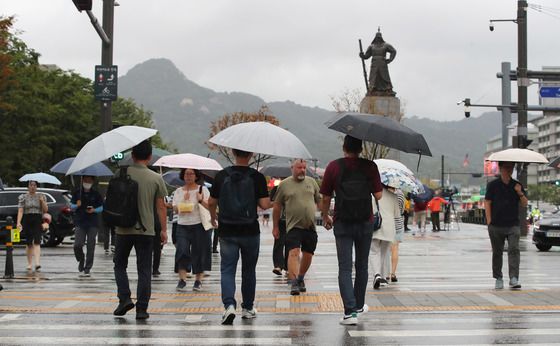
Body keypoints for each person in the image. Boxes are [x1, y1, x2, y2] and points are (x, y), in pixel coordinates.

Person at [320, 135, 383, 326]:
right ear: (361, 149)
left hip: (343, 222)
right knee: (362, 266)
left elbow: (325, 196)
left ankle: (349, 312)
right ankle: (358, 306)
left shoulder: (333, 166)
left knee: (345, 267)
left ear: (344, 147)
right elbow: (379, 195)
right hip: (365, 222)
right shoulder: (370, 166)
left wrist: (325, 216)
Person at [208, 148, 270, 325]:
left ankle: (229, 305)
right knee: (248, 270)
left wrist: (214, 218)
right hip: (250, 230)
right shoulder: (256, 177)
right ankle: (248, 308)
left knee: (227, 269)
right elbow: (265, 204)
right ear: (251, 154)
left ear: (233, 153)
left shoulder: (221, 175)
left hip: (227, 230)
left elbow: (211, 202)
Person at [112, 140, 168, 320]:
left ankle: (125, 298)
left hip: (123, 229)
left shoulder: (119, 173)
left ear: (132, 156)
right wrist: (164, 230)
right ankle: (142, 309)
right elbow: (161, 207)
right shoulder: (156, 178)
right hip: (146, 231)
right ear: (150, 157)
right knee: (144, 269)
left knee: (120, 265)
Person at [273, 159, 321, 296]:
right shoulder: (284, 185)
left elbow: (319, 200)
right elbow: (277, 206)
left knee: (308, 254)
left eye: (304, 168)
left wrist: (326, 216)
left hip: (310, 225)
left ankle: (300, 277)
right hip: (293, 226)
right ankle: (293, 281)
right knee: (293, 252)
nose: (302, 170)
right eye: (299, 167)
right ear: (292, 168)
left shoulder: (312, 182)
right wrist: (275, 226)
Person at [484, 161, 527, 290]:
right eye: (506, 167)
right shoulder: (493, 185)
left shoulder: (517, 185)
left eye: (511, 167)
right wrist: (489, 221)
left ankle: (514, 278)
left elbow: (524, 203)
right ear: (500, 168)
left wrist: (520, 193)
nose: (509, 170)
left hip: (513, 224)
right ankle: (498, 277)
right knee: (497, 252)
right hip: (496, 225)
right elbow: (487, 202)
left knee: (514, 250)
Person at [172, 168, 211, 292]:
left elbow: (210, 206)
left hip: (199, 224)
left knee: (199, 252)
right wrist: (185, 200)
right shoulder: (178, 191)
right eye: (186, 174)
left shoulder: (202, 189)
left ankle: (198, 280)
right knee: (182, 250)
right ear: (183, 176)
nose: (188, 176)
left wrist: (200, 199)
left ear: (196, 176)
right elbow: (175, 209)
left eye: (191, 174)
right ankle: (182, 279)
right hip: (182, 224)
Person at [70, 176, 103, 277]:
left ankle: (87, 267)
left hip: (93, 222)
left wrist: (94, 210)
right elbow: (71, 207)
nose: (87, 182)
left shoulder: (96, 194)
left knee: (90, 245)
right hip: (80, 221)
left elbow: (101, 207)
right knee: (77, 245)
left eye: (89, 180)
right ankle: (81, 259)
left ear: (93, 181)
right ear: (82, 180)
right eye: (85, 180)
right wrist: (77, 205)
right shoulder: (77, 193)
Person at [371, 186, 399, 289]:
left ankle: (377, 274)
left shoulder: (372, 195)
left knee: (374, 252)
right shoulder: (393, 196)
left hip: (376, 226)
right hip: (389, 228)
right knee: (383, 253)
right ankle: (382, 277)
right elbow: (397, 214)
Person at [16, 180, 48, 272]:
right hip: (27, 219)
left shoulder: (41, 196)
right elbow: (21, 210)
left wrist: (42, 201)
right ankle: (29, 263)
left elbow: (45, 210)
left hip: (37, 218)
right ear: (28, 186)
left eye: (34, 185)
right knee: (29, 242)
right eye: (31, 185)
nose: (33, 187)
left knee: (37, 241)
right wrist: (19, 222)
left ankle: (37, 263)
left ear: (36, 187)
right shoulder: (23, 197)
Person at [359, 30, 397, 95]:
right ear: (375, 37)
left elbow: (393, 51)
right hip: (374, 63)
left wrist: (390, 59)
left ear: (381, 37)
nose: (378, 38)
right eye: (377, 37)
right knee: (373, 76)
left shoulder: (386, 45)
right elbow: (367, 56)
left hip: (382, 63)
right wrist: (362, 55)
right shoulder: (371, 46)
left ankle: (388, 89)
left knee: (385, 76)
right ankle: (372, 89)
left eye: (379, 37)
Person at [270, 179, 287, 276]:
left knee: (291, 244)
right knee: (279, 243)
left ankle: (289, 266)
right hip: (280, 220)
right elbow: (270, 203)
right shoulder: (276, 189)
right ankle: (278, 266)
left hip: (293, 220)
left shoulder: (295, 188)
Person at [390, 189, 405, 283]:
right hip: (398, 224)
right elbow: (402, 209)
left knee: (385, 250)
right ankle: (393, 273)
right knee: (395, 249)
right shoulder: (400, 194)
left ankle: (385, 273)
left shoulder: (384, 193)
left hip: (387, 223)